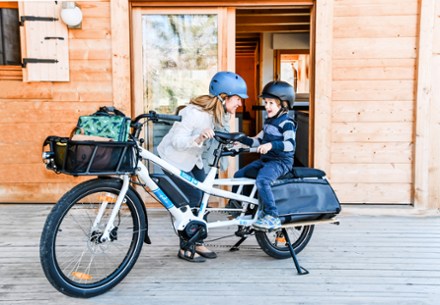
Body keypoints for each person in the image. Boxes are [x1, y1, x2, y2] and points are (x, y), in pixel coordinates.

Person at [157, 71, 248, 262]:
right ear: (224, 97)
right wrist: (198, 138)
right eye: (238, 99)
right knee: (190, 202)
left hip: (193, 159)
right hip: (174, 160)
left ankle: (197, 242)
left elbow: (218, 138)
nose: (240, 104)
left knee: (202, 201)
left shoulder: (219, 115)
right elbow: (177, 141)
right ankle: (187, 248)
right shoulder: (193, 113)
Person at [234, 80, 296, 231]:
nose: (266, 106)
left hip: (280, 162)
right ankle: (245, 207)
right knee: (240, 174)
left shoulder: (287, 123)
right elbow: (259, 140)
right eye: (266, 102)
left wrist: (271, 145)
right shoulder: (269, 122)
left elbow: (290, 145)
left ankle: (272, 216)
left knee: (262, 181)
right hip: (267, 160)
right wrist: (242, 141)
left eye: (271, 103)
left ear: (284, 105)